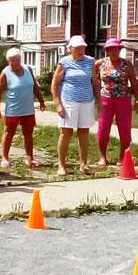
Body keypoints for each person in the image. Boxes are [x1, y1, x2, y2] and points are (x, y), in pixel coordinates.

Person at [51, 35, 99, 175]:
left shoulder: (90, 61)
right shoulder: (64, 62)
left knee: (84, 132)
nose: (80, 50)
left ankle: (83, 163)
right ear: (70, 49)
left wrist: (99, 102)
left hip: (87, 101)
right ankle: (61, 165)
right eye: (77, 48)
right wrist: (58, 104)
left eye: (82, 47)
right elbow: (54, 85)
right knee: (66, 132)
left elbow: (95, 83)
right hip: (69, 101)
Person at [0, 47, 47, 168]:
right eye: (11, 61)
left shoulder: (28, 69)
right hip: (13, 110)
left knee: (28, 133)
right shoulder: (6, 73)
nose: (14, 63)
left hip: (28, 109)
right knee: (9, 132)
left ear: (20, 59)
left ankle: (30, 158)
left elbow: (34, 86)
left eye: (16, 60)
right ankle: (5, 157)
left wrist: (41, 100)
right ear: (8, 61)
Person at [93, 38, 138, 166]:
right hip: (105, 99)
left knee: (125, 129)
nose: (114, 51)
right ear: (107, 51)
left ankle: (122, 157)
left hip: (123, 99)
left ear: (119, 50)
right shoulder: (99, 64)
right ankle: (103, 157)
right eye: (111, 49)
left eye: (116, 49)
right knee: (103, 129)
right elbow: (94, 81)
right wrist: (95, 98)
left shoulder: (127, 64)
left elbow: (134, 83)